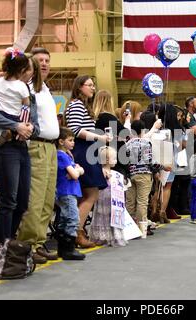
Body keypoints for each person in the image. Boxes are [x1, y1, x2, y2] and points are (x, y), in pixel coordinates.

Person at [0, 51, 36, 245]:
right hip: (6, 147)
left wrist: (29, 126)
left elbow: (32, 117)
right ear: (24, 70)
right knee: (9, 200)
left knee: (22, 202)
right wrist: (18, 125)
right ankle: (3, 246)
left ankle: (8, 241)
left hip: (21, 145)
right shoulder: (21, 88)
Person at [16, 47, 61, 263]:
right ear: (31, 65)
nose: (44, 64)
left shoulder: (46, 89)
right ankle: (26, 245)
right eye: (40, 60)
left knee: (47, 199)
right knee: (35, 198)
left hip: (52, 147)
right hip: (36, 145)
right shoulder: (27, 89)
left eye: (47, 60)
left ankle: (39, 242)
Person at [64, 75, 111, 248]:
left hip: (87, 150)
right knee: (91, 194)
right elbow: (76, 130)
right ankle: (77, 231)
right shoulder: (77, 105)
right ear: (79, 87)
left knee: (84, 194)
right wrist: (100, 137)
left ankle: (74, 230)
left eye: (93, 85)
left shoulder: (81, 105)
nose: (93, 88)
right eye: (89, 85)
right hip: (83, 151)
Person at [126, 120, 169, 227]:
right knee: (142, 202)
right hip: (144, 175)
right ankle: (142, 227)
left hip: (130, 175)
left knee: (130, 202)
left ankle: (130, 227)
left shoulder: (127, 144)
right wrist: (163, 167)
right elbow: (149, 161)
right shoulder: (146, 142)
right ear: (142, 130)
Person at [54, 127, 86, 260]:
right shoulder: (61, 155)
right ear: (61, 141)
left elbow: (79, 170)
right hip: (66, 191)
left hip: (68, 191)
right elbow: (75, 174)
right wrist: (76, 171)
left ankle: (62, 248)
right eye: (70, 140)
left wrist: (77, 170)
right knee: (73, 218)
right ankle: (69, 249)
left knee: (64, 219)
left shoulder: (67, 155)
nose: (73, 143)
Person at [89, 146, 127, 246]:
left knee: (112, 216)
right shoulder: (101, 172)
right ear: (106, 160)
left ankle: (113, 234)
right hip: (103, 199)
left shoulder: (115, 173)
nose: (115, 160)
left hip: (113, 200)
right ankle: (102, 236)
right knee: (103, 216)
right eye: (114, 158)